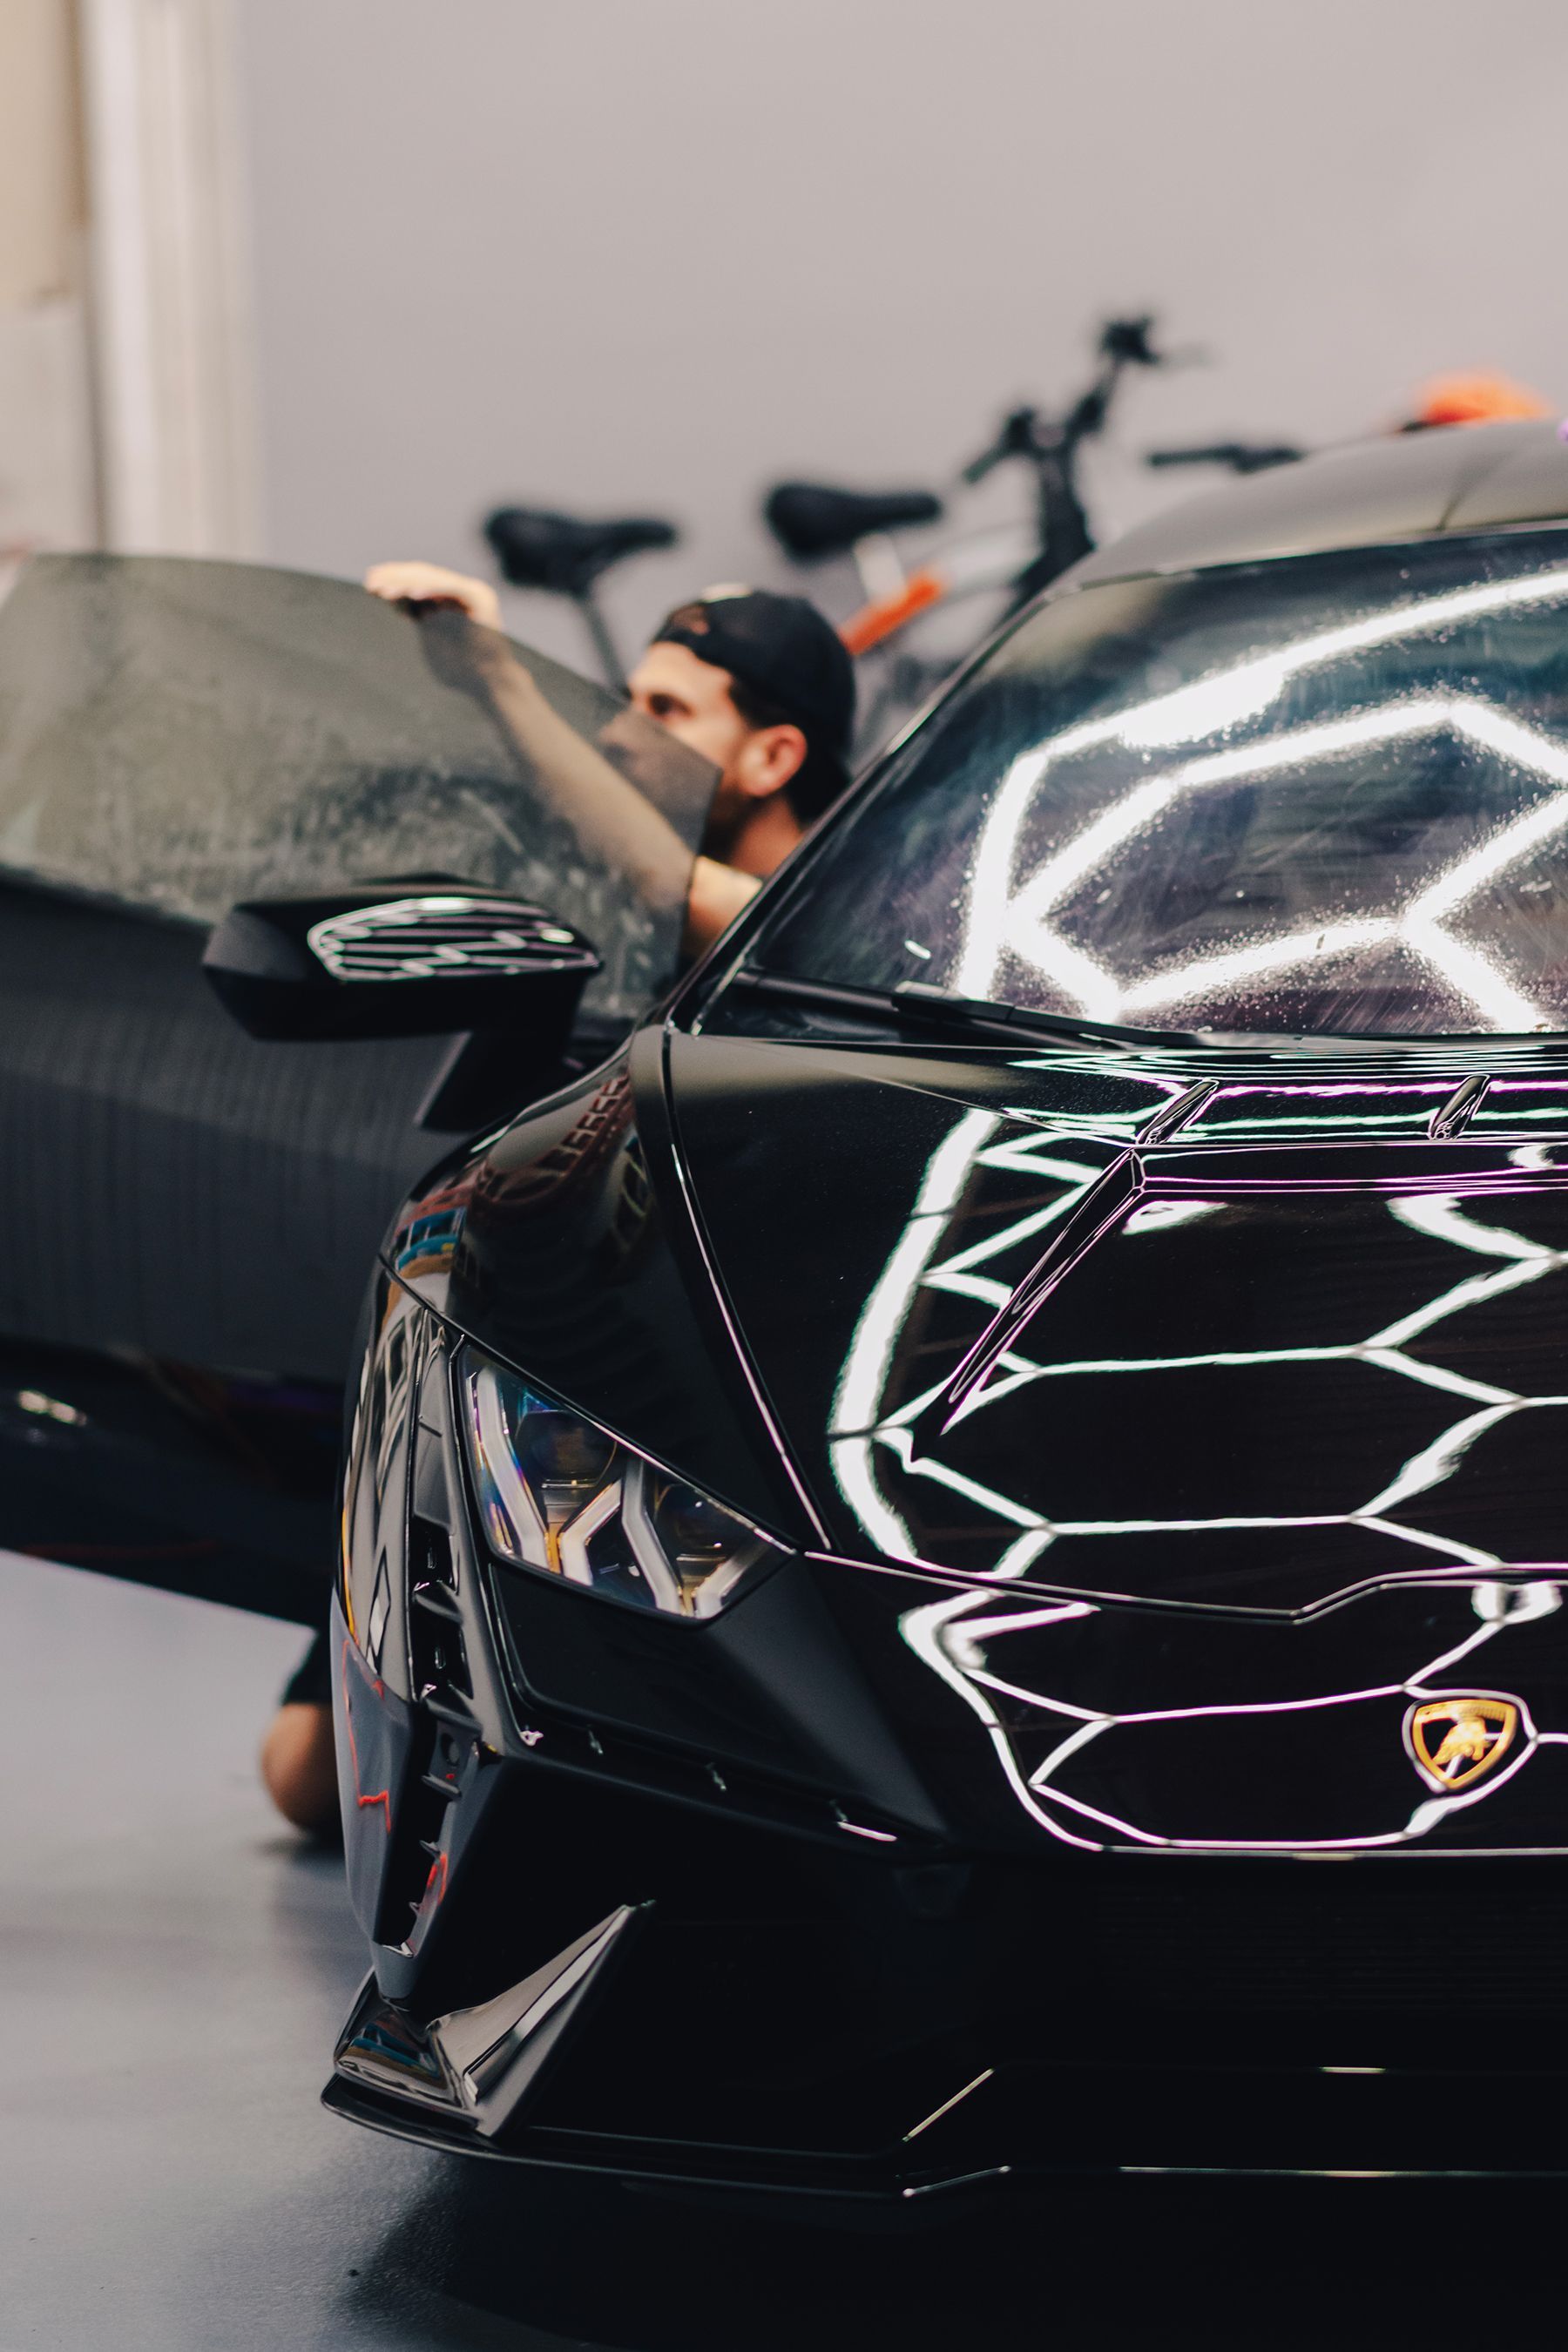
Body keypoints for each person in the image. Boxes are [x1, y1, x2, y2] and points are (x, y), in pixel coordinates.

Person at [260, 565, 855, 1833]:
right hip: (572, 1365)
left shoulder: (823, 933)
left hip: (733, 1432)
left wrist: (497, 678)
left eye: (666, 709)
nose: (624, 734)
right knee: (303, 1777)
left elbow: (675, 888)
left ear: (774, 753)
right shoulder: (638, 908)